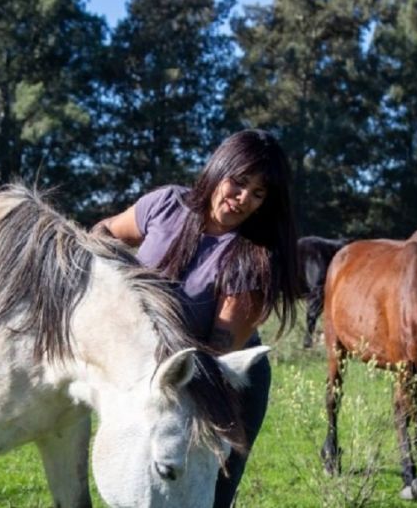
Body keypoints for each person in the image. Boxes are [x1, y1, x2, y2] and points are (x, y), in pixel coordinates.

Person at [93, 128, 300, 507]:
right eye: (238, 183)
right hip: (153, 372)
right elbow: (104, 232)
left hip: (219, 381)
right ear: (219, 168)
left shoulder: (253, 259)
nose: (242, 200)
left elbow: (216, 352)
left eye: (258, 194)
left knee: (208, 497)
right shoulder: (166, 205)